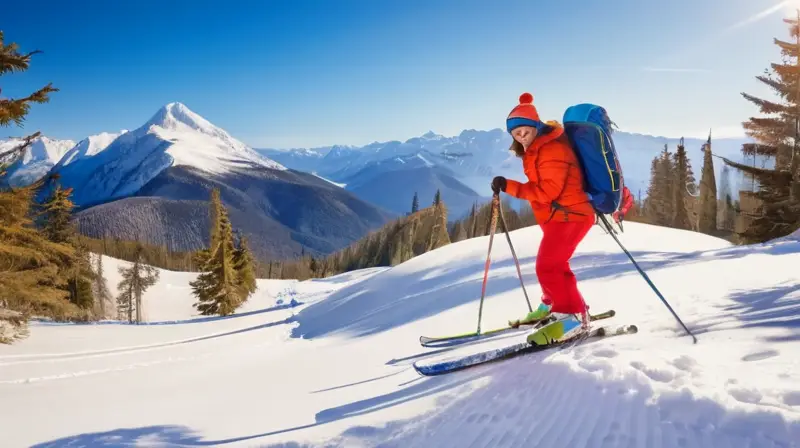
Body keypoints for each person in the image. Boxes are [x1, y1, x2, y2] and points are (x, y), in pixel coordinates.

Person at [492, 92, 595, 345]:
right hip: (561, 216)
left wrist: (510, 186)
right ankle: (557, 306)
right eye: (516, 133)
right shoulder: (537, 149)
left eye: (525, 130)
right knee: (555, 265)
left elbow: (548, 192)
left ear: (536, 125)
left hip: (571, 216)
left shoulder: (551, 149)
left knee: (548, 266)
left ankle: (572, 317)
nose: (521, 136)